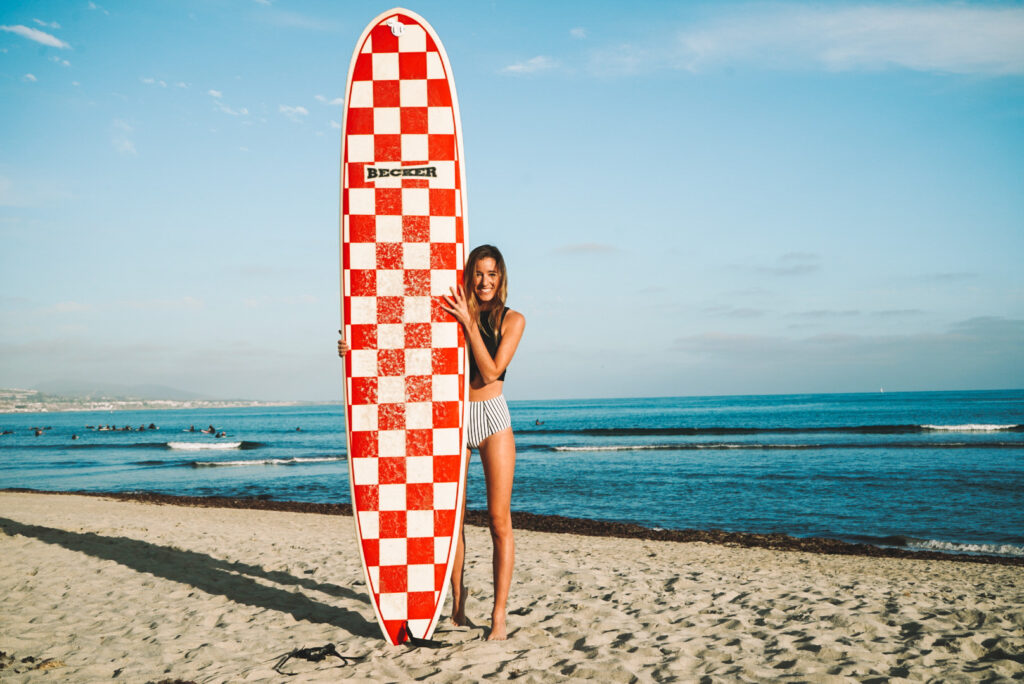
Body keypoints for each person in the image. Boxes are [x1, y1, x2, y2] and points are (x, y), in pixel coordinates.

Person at [337, 244, 525, 641]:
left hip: (491, 416)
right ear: (468, 275)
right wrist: (355, 350)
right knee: (451, 520)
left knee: (498, 521)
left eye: (492, 274)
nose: (484, 282)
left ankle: (499, 614)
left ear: (501, 277)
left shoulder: (513, 320)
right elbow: (405, 349)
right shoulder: (450, 314)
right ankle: (457, 605)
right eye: (478, 273)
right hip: (451, 417)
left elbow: (491, 370)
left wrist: (469, 323)